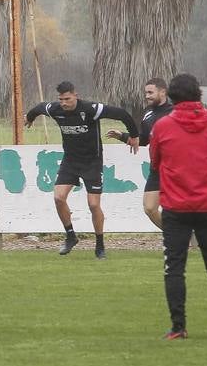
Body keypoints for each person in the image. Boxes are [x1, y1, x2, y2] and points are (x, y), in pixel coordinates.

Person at [148, 73, 207, 340]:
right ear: (199, 95)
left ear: (171, 96)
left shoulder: (162, 126)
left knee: (174, 267)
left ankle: (178, 327)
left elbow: (155, 161)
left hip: (175, 206)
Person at [25, 80, 137, 259]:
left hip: (92, 162)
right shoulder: (55, 110)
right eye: (61, 99)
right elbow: (39, 107)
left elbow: (122, 114)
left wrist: (134, 135)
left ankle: (100, 245)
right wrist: (29, 118)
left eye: (67, 99)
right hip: (70, 161)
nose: (63, 103)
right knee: (58, 197)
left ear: (76, 95)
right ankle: (70, 236)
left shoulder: (91, 109)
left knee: (93, 205)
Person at [106, 77, 173, 230]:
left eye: (150, 92)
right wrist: (123, 136)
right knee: (150, 208)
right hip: (156, 169)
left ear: (163, 92)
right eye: (146, 93)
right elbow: (143, 139)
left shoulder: (175, 112)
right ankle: (176, 235)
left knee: (180, 209)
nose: (147, 96)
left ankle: (188, 238)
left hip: (176, 168)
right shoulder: (148, 114)